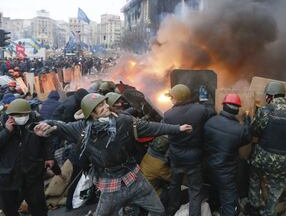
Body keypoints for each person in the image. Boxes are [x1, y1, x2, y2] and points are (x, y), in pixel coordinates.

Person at [34, 93, 192, 216]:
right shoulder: (81, 128)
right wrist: (46, 125)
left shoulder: (124, 121)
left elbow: (152, 127)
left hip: (135, 179)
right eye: (99, 106)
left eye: (104, 103)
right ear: (91, 113)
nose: (105, 107)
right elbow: (60, 126)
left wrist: (177, 129)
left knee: (158, 211)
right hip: (111, 185)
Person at [248, 81, 286, 216]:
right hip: (283, 160)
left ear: (270, 96)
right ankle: (269, 212)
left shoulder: (265, 111)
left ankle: (254, 206)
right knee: (276, 188)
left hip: (263, 157)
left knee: (254, 177)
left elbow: (254, 131)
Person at [163, 84, 214, 216]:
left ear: (177, 98)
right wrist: (204, 99)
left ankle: (171, 210)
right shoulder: (200, 110)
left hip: (176, 158)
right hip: (194, 158)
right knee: (195, 190)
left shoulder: (168, 114)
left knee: (175, 185)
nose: (171, 100)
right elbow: (211, 111)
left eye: (172, 97)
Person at [0, 99, 54, 216]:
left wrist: (49, 157)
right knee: (9, 208)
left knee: (38, 206)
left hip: (32, 172)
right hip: (9, 175)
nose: (22, 117)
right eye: (17, 115)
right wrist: (6, 131)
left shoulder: (35, 123)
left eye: (24, 114)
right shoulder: (2, 125)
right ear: (10, 116)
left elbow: (46, 141)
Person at [203, 93, 252, 216]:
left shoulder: (210, 122)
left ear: (223, 106)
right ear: (237, 110)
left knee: (213, 190)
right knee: (229, 202)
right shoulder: (239, 130)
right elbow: (247, 138)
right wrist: (247, 123)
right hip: (226, 172)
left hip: (209, 167)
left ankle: (214, 210)